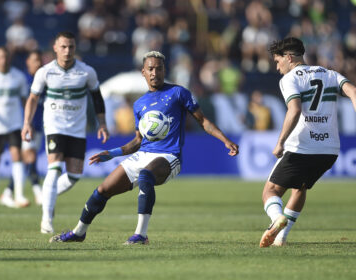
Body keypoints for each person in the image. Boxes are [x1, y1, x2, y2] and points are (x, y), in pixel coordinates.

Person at [49, 51, 239, 244]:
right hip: (143, 154)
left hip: (169, 156)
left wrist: (225, 140)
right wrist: (112, 153)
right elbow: (137, 141)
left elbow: (204, 121)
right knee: (102, 190)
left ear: (165, 71)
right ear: (143, 72)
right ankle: (78, 233)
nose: (154, 72)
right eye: (150, 69)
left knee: (145, 176)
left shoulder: (178, 93)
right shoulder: (139, 104)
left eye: (158, 68)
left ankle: (141, 235)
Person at [259, 37, 356, 248]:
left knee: (270, 191)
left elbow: (294, 110)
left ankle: (276, 220)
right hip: (329, 150)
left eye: (278, 61)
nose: (277, 67)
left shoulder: (290, 79)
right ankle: (281, 238)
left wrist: (280, 142)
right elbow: (353, 92)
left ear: (289, 57)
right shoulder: (329, 73)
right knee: (300, 188)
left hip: (301, 146)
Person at [21, 31, 109, 234]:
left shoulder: (86, 72)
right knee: (54, 168)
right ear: (55, 48)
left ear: (75, 48)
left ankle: (46, 194)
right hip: (54, 127)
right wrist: (27, 123)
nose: (67, 51)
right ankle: (46, 219)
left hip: (77, 130)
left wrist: (102, 124)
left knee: (74, 176)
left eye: (71, 47)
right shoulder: (45, 72)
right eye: (63, 47)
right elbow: (33, 99)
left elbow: (97, 98)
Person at [1, 50, 44, 207]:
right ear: (28, 62)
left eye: (40, 60)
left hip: (39, 126)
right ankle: (37, 191)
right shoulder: (23, 80)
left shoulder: (44, 79)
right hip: (25, 126)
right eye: (35, 60)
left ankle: (7, 192)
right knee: (30, 157)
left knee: (26, 160)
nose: (38, 63)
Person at [0, 46, 29, 208]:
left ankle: (20, 195)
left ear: (10, 58)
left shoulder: (18, 77)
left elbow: (25, 101)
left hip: (15, 123)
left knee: (17, 156)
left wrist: (27, 122)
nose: (3, 60)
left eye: (6, 57)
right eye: (0, 57)